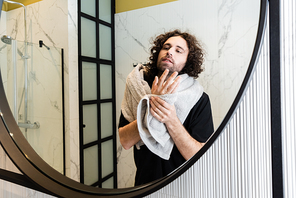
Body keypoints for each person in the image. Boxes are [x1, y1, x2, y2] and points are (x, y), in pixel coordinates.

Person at [118, 29, 214, 186]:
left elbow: (199, 155)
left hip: (185, 187)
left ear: (188, 60)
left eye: (178, 50)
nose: (170, 52)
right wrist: (151, 106)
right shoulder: (138, 88)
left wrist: (171, 119)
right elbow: (125, 141)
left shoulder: (199, 99)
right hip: (144, 185)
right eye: (166, 47)